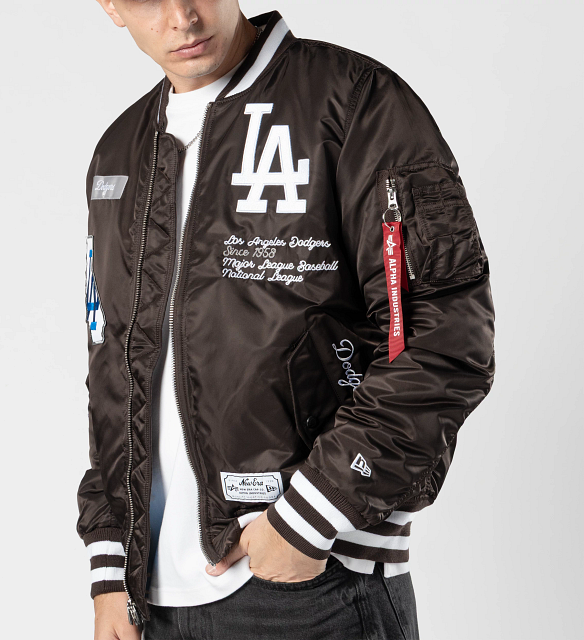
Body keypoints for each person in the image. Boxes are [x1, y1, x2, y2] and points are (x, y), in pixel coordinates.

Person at [77, 2, 495, 639]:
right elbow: (112, 364)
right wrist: (110, 564)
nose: (182, 16)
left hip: (314, 583)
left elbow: (443, 333)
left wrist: (313, 512)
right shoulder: (120, 149)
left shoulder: (352, 101)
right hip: (148, 600)